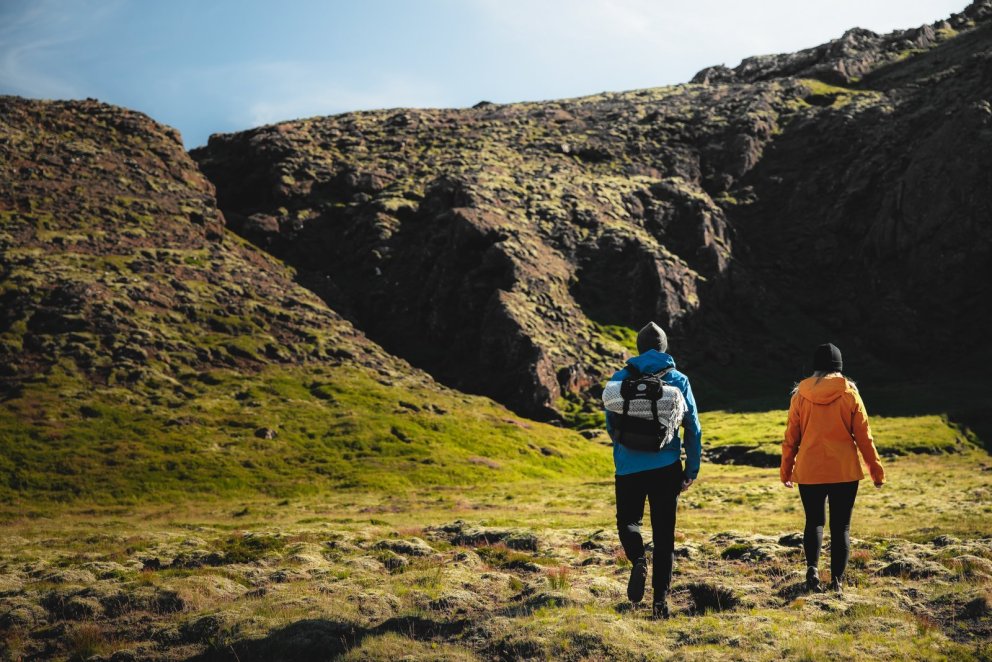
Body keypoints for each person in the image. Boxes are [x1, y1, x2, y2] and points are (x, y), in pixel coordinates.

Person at [604, 321, 702, 619]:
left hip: (628, 468)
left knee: (628, 523)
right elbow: (693, 428)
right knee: (664, 536)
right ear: (663, 348)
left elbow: (612, 426)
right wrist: (691, 469)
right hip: (666, 468)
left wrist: (626, 453)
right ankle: (660, 603)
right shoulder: (678, 379)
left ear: (638, 347)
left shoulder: (619, 379)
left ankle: (637, 559)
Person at [780, 343, 885, 594]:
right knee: (841, 528)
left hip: (809, 469)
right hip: (844, 471)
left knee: (814, 521)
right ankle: (837, 582)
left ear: (815, 368)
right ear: (839, 368)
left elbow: (790, 437)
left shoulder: (800, 395)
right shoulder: (850, 393)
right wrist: (876, 471)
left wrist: (786, 470)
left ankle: (812, 568)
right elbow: (864, 437)